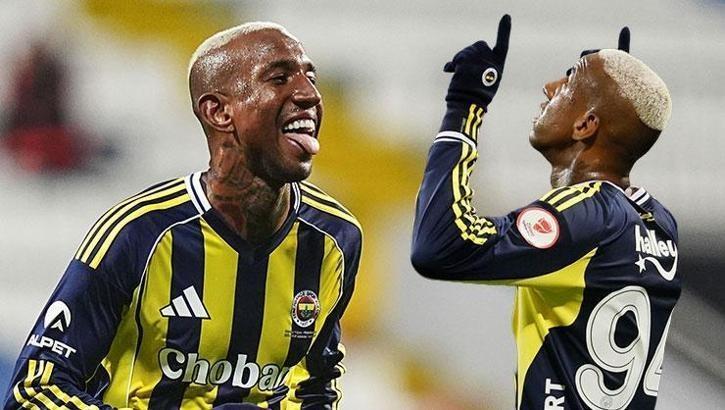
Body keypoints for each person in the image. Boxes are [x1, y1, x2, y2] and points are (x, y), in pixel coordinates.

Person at [5, 22, 362, 410]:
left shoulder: (335, 238)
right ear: (218, 112)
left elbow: (315, 389)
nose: (310, 95)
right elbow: (32, 392)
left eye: (311, 78)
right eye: (279, 78)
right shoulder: (139, 233)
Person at [411, 15, 679, 409]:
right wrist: (613, 94)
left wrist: (464, 107)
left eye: (569, 83)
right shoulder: (660, 223)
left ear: (586, 125)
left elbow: (440, 247)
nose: (550, 87)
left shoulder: (591, 215)